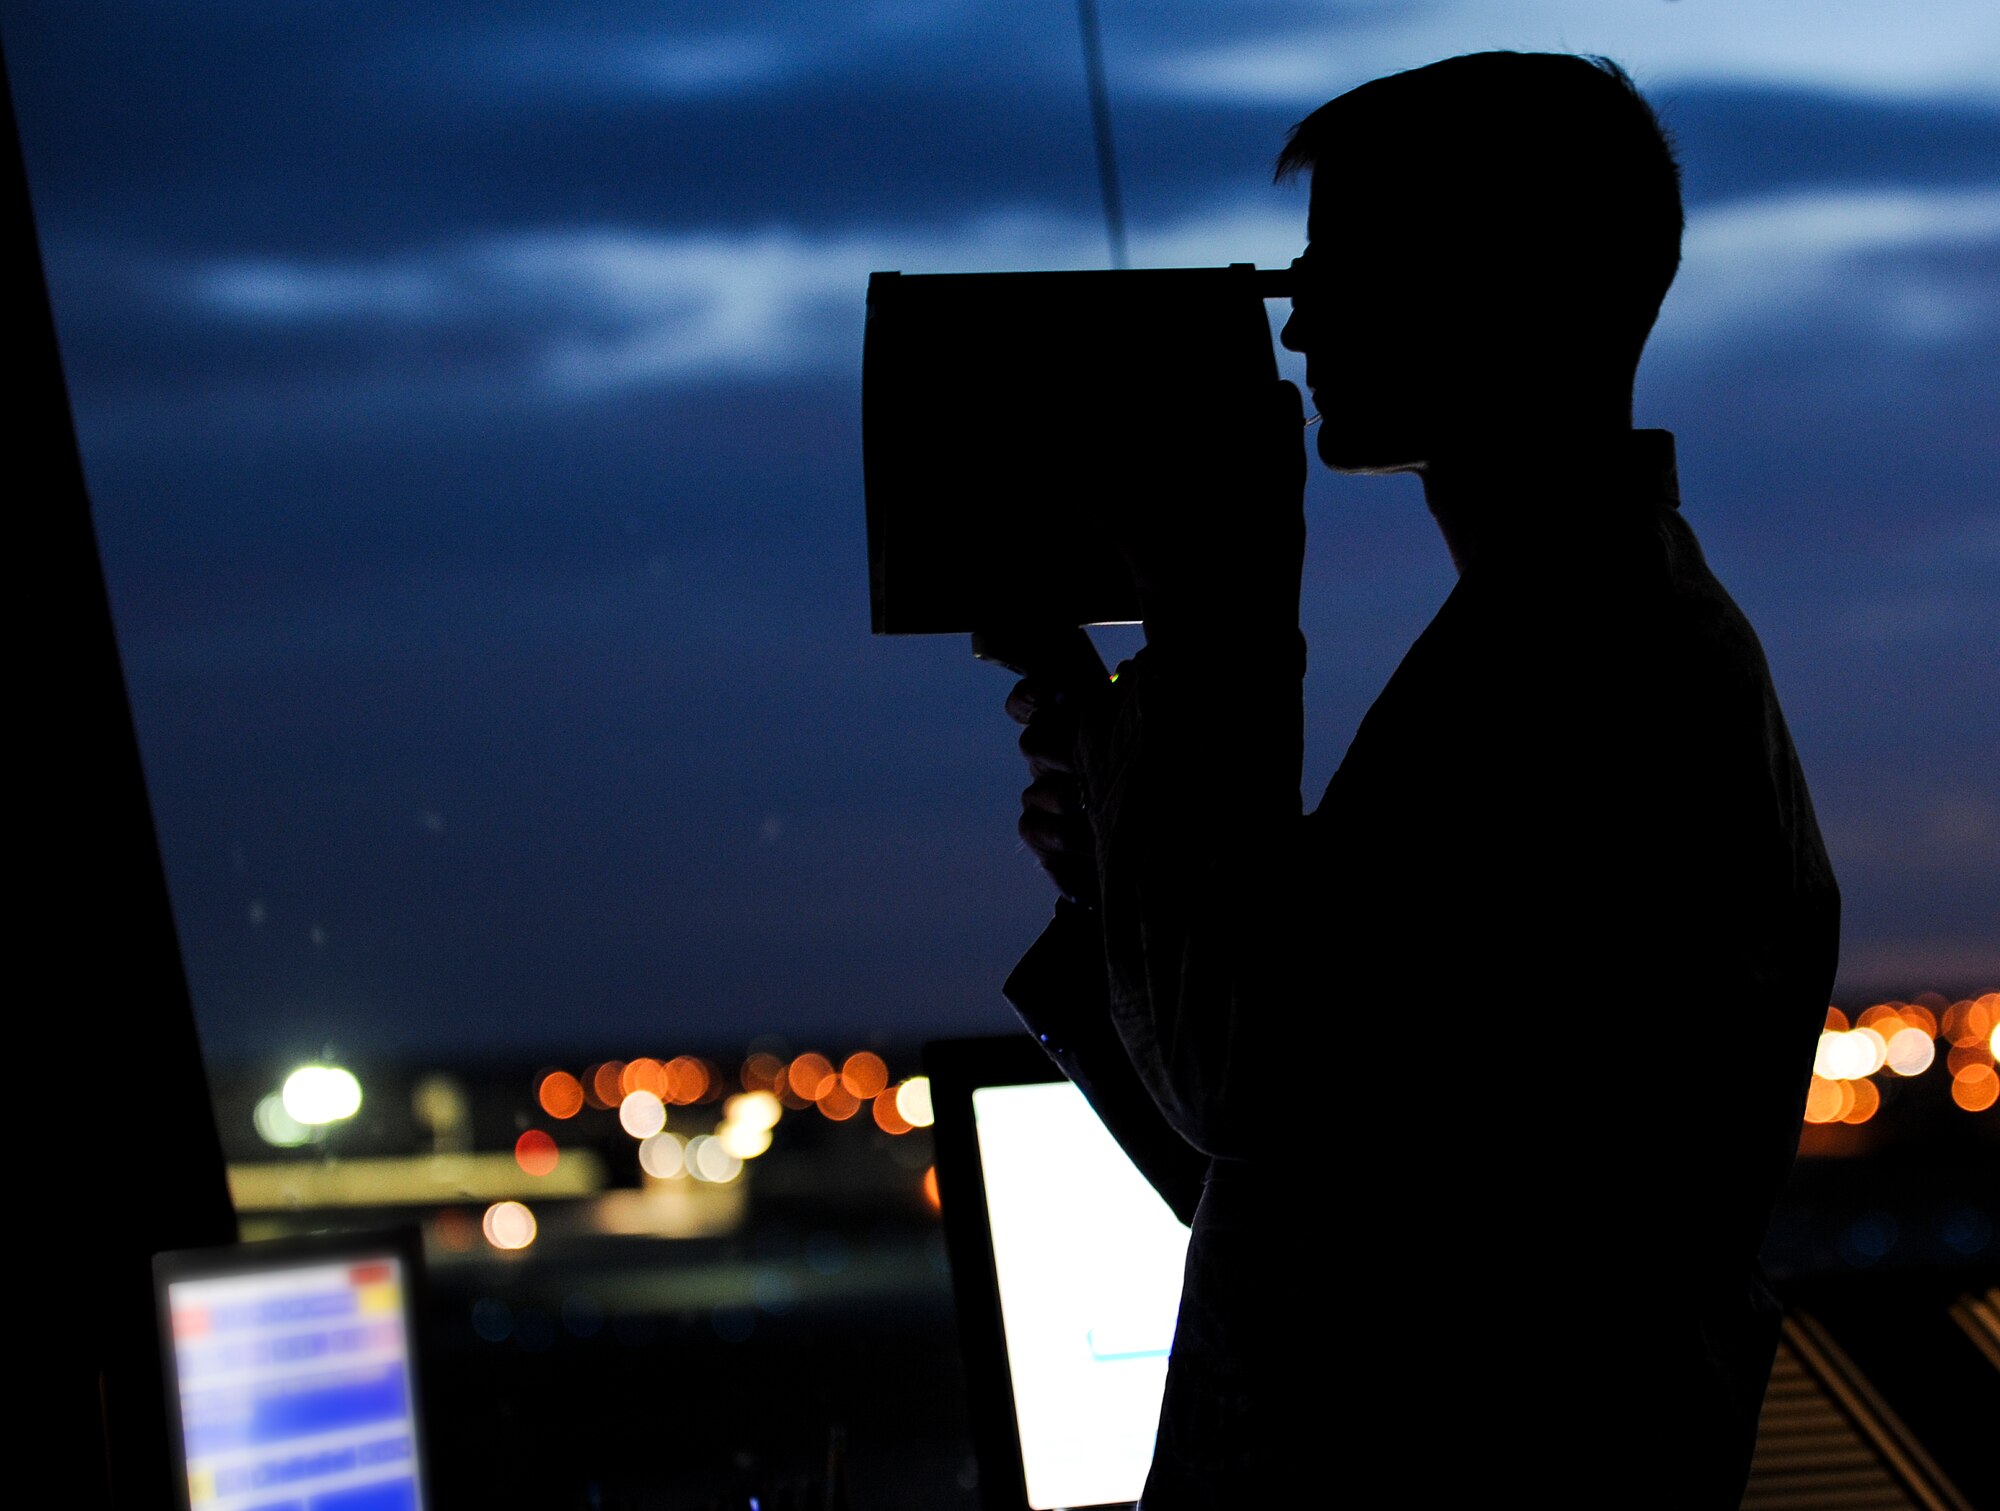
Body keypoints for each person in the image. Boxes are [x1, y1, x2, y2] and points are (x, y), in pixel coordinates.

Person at [998, 52, 1840, 1509]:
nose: (1303, 319)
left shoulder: (1579, 675)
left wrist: (1221, 627)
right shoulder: (1606, 645)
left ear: (1496, 284)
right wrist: (1139, 839)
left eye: (1345, 266)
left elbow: (1245, 1086)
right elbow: (1310, 1173)